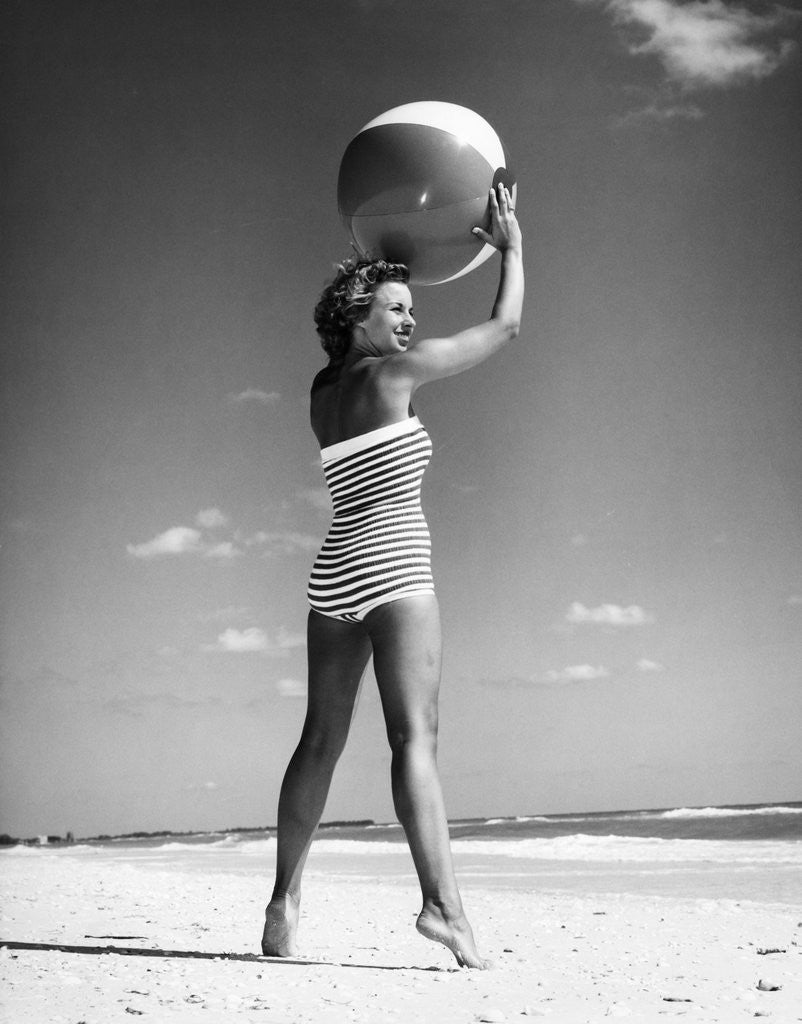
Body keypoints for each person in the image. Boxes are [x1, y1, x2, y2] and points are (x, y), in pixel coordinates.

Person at [262, 183, 523, 969]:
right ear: (356, 316)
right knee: (415, 739)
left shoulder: (322, 392)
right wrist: (509, 246)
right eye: (397, 308)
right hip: (395, 561)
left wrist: (387, 254)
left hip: (331, 573)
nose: (411, 321)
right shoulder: (394, 377)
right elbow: (505, 326)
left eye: (411, 309)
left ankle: (283, 903)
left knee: (319, 741)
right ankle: (442, 908)